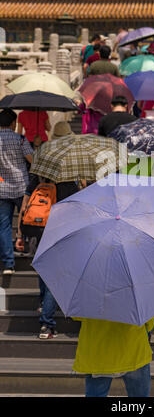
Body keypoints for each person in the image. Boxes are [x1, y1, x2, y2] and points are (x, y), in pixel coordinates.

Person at [15, 121, 78, 339]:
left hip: (38, 222)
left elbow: (28, 192)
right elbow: (73, 200)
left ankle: (44, 305)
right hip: (61, 224)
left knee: (44, 267)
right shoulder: (71, 162)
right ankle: (47, 324)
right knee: (55, 274)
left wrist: (20, 228)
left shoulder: (43, 157)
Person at [72, 316, 154, 397]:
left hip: (99, 353)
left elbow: (76, 316)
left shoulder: (90, 301)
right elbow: (149, 316)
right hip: (133, 350)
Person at [0, 109, 33, 274]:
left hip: (2, 189)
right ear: (13, 123)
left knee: (4, 226)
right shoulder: (20, 139)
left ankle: (8, 264)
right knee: (27, 220)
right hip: (21, 186)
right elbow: (31, 160)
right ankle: (25, 248)